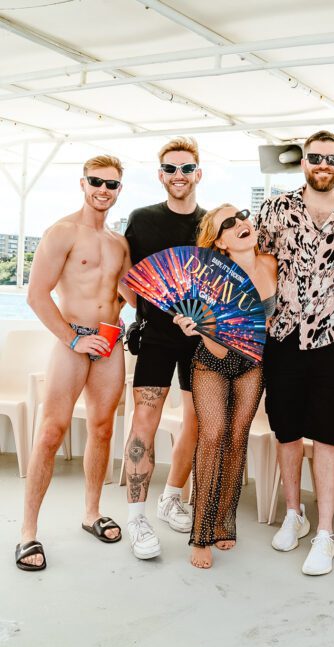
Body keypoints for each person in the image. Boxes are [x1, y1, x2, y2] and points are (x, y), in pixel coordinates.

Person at [255, 130, 334, 576]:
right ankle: (293, 514)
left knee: (328, 435)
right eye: (316, 157)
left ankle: (324, 532)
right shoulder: (277, 208)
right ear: (304, 161)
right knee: (286, 432)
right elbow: (257, 262)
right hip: (281, 336)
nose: (324, 164)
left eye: (333, 158)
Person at [16, 155, 130, 571]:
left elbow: (133, 293)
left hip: (111, 341)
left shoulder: (119, 243)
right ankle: (27, 533)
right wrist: (73, 339)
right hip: (74, 340)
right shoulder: (62, 232)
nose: (103, 190)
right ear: (82, 184)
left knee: (102, 429)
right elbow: (37, 295)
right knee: (50, 432)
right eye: (96, 182)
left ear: (120, 190)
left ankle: (91, 513)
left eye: (111, 184)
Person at [173, 204, 277, 569]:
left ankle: (224, 522)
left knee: (236, 438)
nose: (240, 225)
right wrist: (197, 326)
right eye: (228, 225)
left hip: (254, 365)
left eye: (242, 216)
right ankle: (200, 534)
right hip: (213, 361)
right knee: (213, 435)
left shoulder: (272, 265)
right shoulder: (208, 277)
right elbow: (215, 340)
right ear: (219, 242)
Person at [123, 137, 206, 560]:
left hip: (198, 340)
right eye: (171, 169)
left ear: (198, 174)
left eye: (186, 168)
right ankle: (136, 517)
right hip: (155, 336)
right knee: (145, 422)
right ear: (160, 175)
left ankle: (171, 497)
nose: (179, 176)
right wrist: (152, 309)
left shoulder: (210, 224)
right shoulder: (141, 219)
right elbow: (126, 276)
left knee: (194, 422)